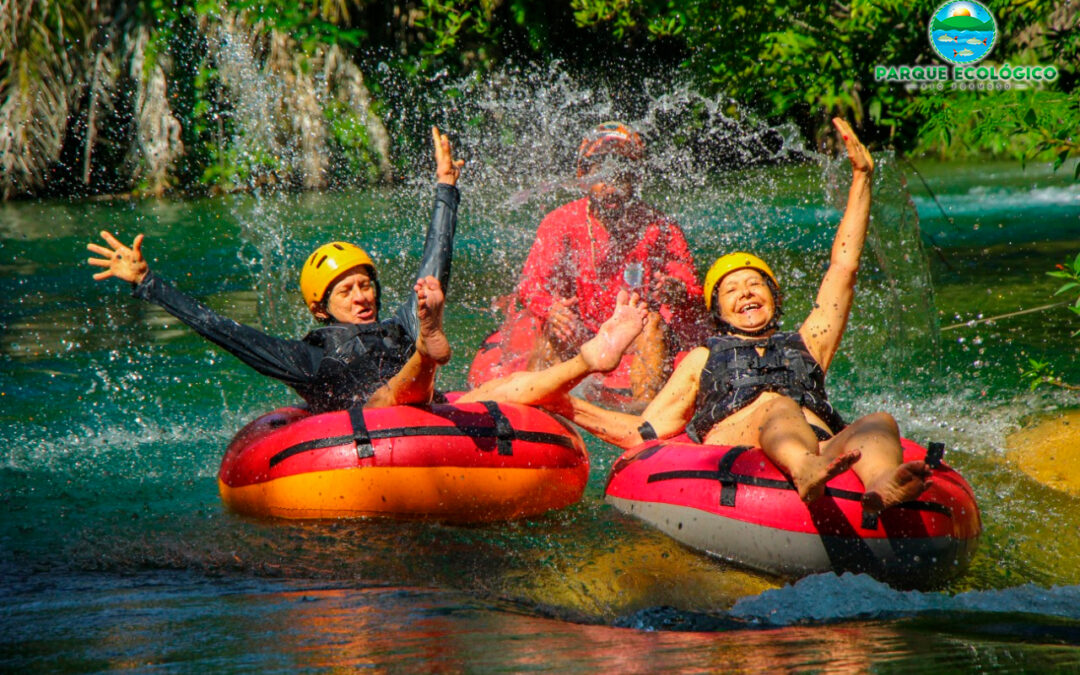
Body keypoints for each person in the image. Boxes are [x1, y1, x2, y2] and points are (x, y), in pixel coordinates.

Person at [552, 118, 933, 516]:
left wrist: (862, 179)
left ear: (775, 297)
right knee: (777, 405)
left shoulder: (808, 342)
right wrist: (564, 404)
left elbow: (843, 268)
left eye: (756, 285)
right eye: (732, 290)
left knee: (879, 421)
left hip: (821, 445)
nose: (747, 292)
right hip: (746, 445)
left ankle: (880, 483)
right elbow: (643, 431)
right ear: (717, 311)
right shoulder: (702, 358)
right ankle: (804, 469)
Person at [86, 127, 464, 414]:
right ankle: (426, 354)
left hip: (431, 413)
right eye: (346, 292)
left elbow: (433, 269)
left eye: (365, 286)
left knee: (521, 387)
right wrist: (148, 283)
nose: (362, 297)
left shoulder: (399, 325)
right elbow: (224, 330)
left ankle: (429, 354)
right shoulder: (309, 357)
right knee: (387, 397)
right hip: (378, 417)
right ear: (320, 309)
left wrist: (445, 188)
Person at [510, 121, 710, 400]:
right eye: (602, 178)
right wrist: (551, 310)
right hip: (581, 333)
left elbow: (691, 287)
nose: (612, 188)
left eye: (622, 178)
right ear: (584, 178)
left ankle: (645, 418)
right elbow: (530, 285)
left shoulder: (659, 227)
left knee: (651, 323)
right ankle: (531, 410)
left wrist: (676, 291)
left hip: (637, 332)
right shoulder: (561, 223)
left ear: (636, 180)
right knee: (553, 327)